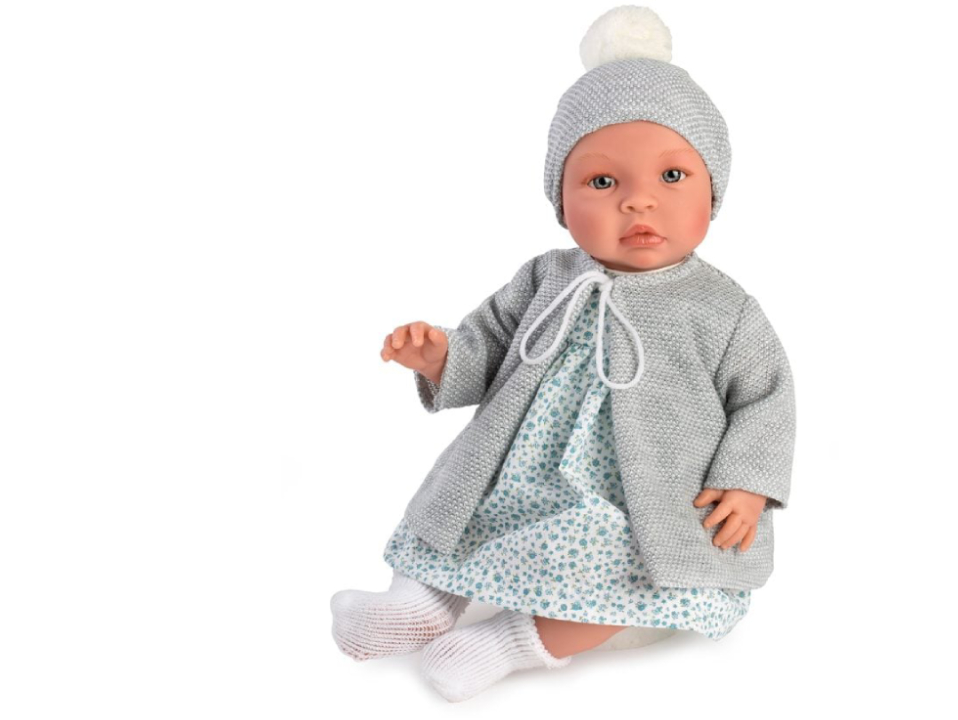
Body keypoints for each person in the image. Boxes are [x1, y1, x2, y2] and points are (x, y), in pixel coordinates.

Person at [329, 6, 796, 702]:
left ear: (714, 190)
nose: (639, 203)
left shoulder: (722, 309)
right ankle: (417, 606)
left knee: (622, 579)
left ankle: (511, 641)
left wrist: (748, 482)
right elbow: (488, 346)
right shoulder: (546, 277)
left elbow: (766, 397)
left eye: (672, 176)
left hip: (641, 504)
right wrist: (441, 357)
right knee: (456, 512)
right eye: (603, 183)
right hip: (517, 471)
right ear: (560, 199)